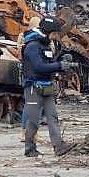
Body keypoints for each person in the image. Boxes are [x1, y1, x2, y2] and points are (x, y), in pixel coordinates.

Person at [22, 16, 78, 157]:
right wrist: (59, 65)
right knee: (34, 119)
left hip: (46, 86)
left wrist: (62, 63)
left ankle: (58, 146)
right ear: (48, 31)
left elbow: (48, 64)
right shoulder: (32, 46)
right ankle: (29, 148)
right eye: (55, 33)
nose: (56, 36)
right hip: (33, 87)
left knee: (52, 117)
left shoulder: (45, 44)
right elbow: (39, 66)